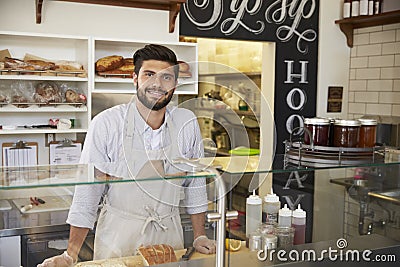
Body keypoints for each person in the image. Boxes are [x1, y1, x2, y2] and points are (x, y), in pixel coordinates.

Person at [38, 44, 215, 266]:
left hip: (169, 237)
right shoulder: (106, 124)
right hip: (118, 235)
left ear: (176, 84)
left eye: (167, 77)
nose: (157, 84)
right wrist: (70, 254)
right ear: (135, 78)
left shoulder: (187, 123)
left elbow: (196, 184)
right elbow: (88, 192)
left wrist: (199, 235)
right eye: (149, 75)